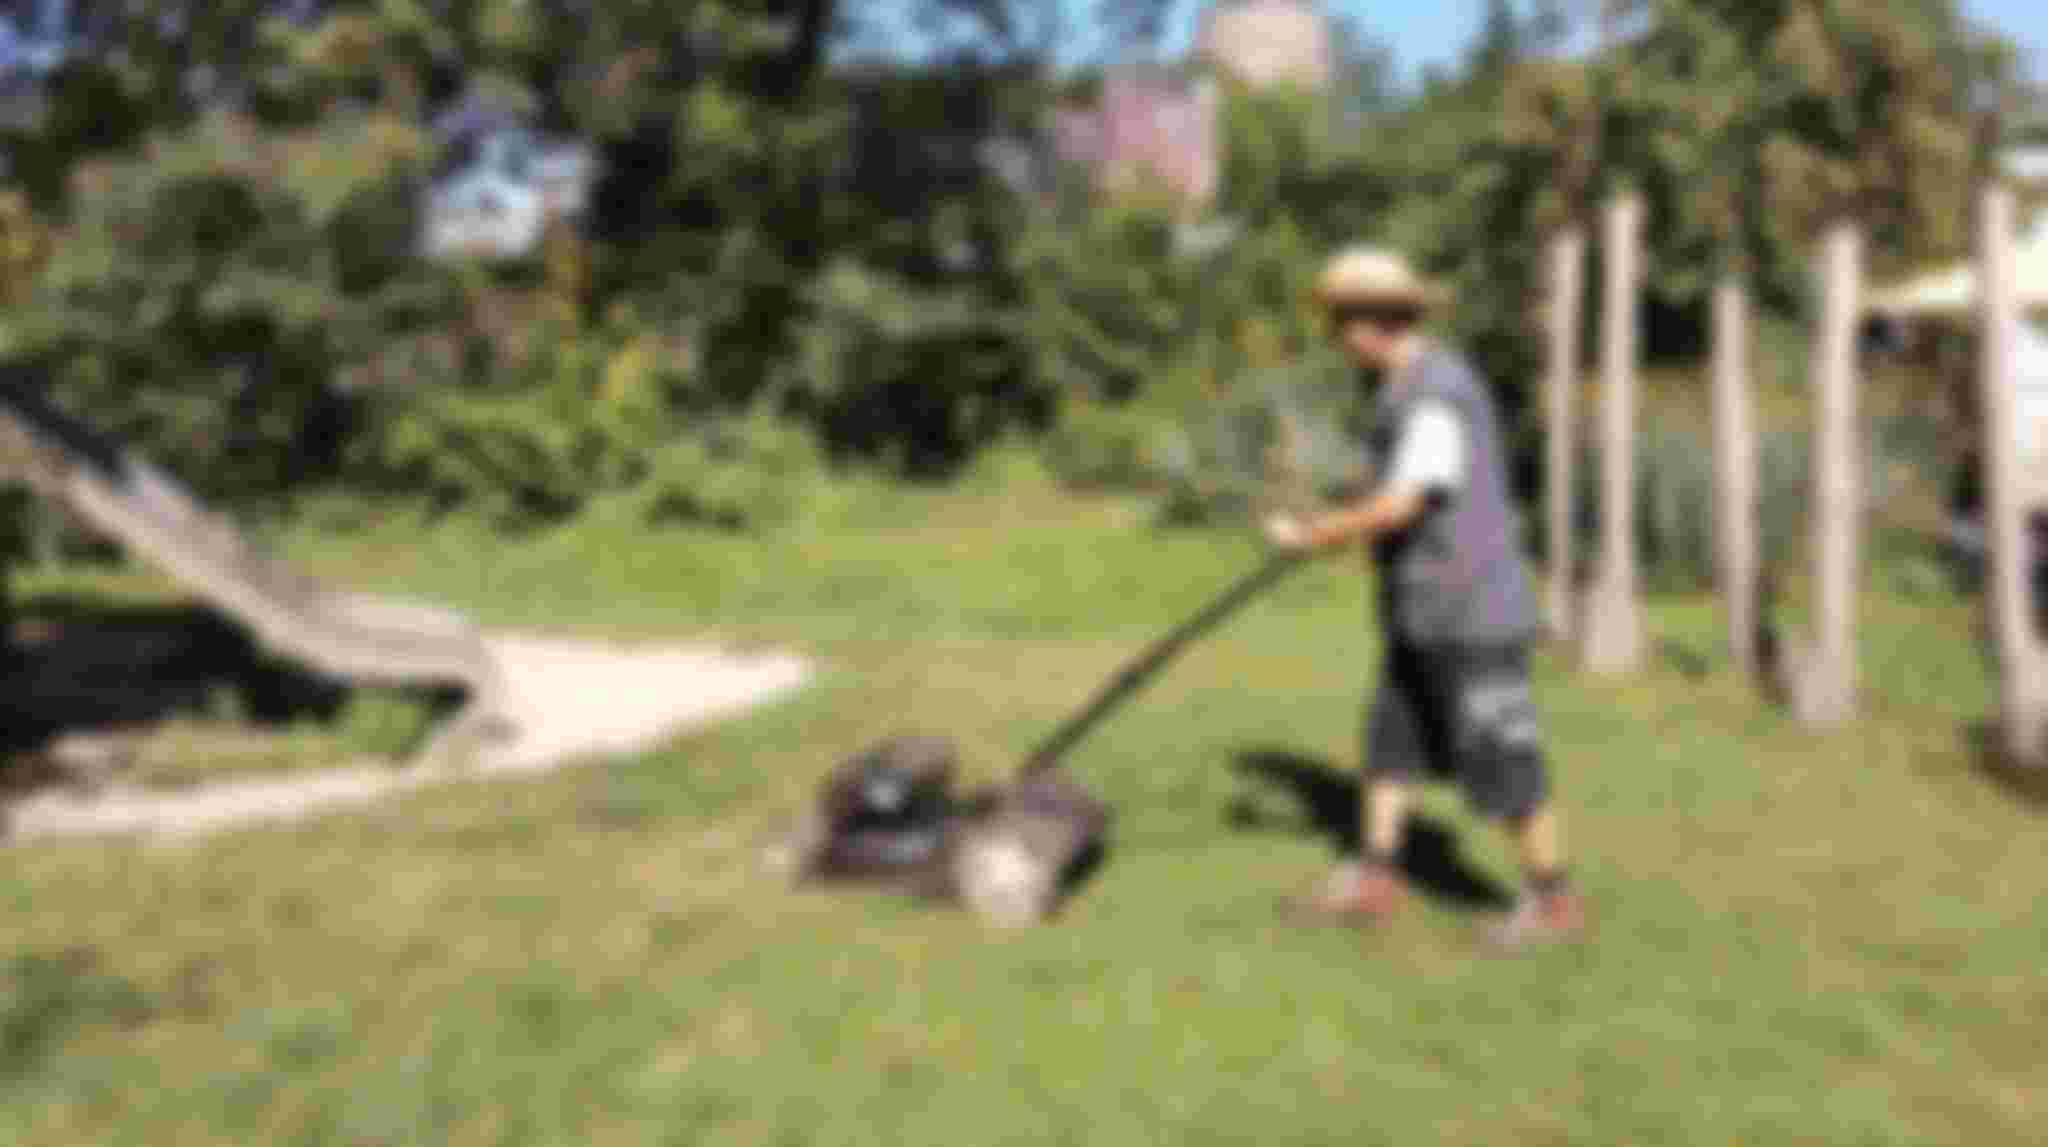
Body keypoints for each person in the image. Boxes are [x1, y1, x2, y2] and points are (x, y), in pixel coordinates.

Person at [1263, 246, 1586, 950]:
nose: (1338, 339)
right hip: (1421, 614)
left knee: (1502, 755)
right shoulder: (1402, 387)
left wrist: (1319, 534)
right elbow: (1392, 489)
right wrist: (1337, 513)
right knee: (1391, 743)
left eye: (1341, 324)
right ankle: (1376, 877)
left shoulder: (1436, 392)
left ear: (1370, 322)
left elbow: (1407, 502)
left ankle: (1553, 901)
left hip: (1470, 614)